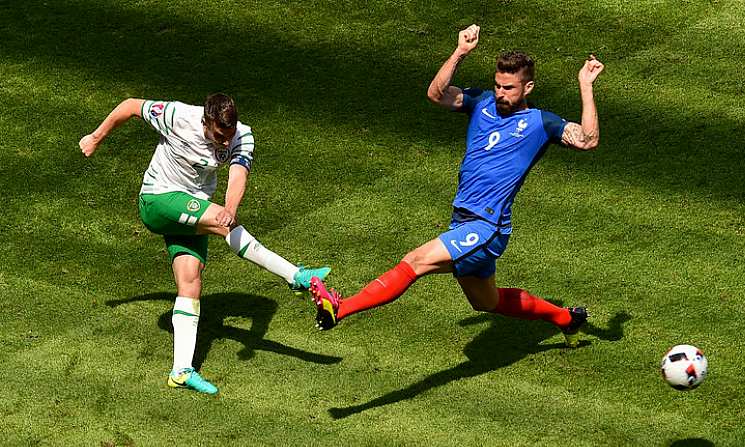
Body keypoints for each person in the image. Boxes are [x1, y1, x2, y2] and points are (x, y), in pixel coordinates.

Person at [309, 25, 604, 348]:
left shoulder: (541, 123)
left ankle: (341, 308)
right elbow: (437, 94)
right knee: (486, 303)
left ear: (528, 87)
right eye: (497, 85)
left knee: (416, 260)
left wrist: (585, 86)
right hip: (463, 218)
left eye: (508, 87)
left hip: (487, 224)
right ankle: (566, 318)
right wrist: (460, 52)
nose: (500, 93)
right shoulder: (481, 102)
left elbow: (588, 141)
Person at [79, 94, 330, 395]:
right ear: (206, 122)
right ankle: (296, 277)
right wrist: (95, 138)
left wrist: (230, 208)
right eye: (219, 136)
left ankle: (181, 371)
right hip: (158, 200)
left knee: (191, 283)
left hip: (190, 208)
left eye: (229, 135)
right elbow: (132, 105)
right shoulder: (177, 116)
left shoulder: (242, 135)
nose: (225, 142)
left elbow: (238, 175)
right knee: (226, 228)